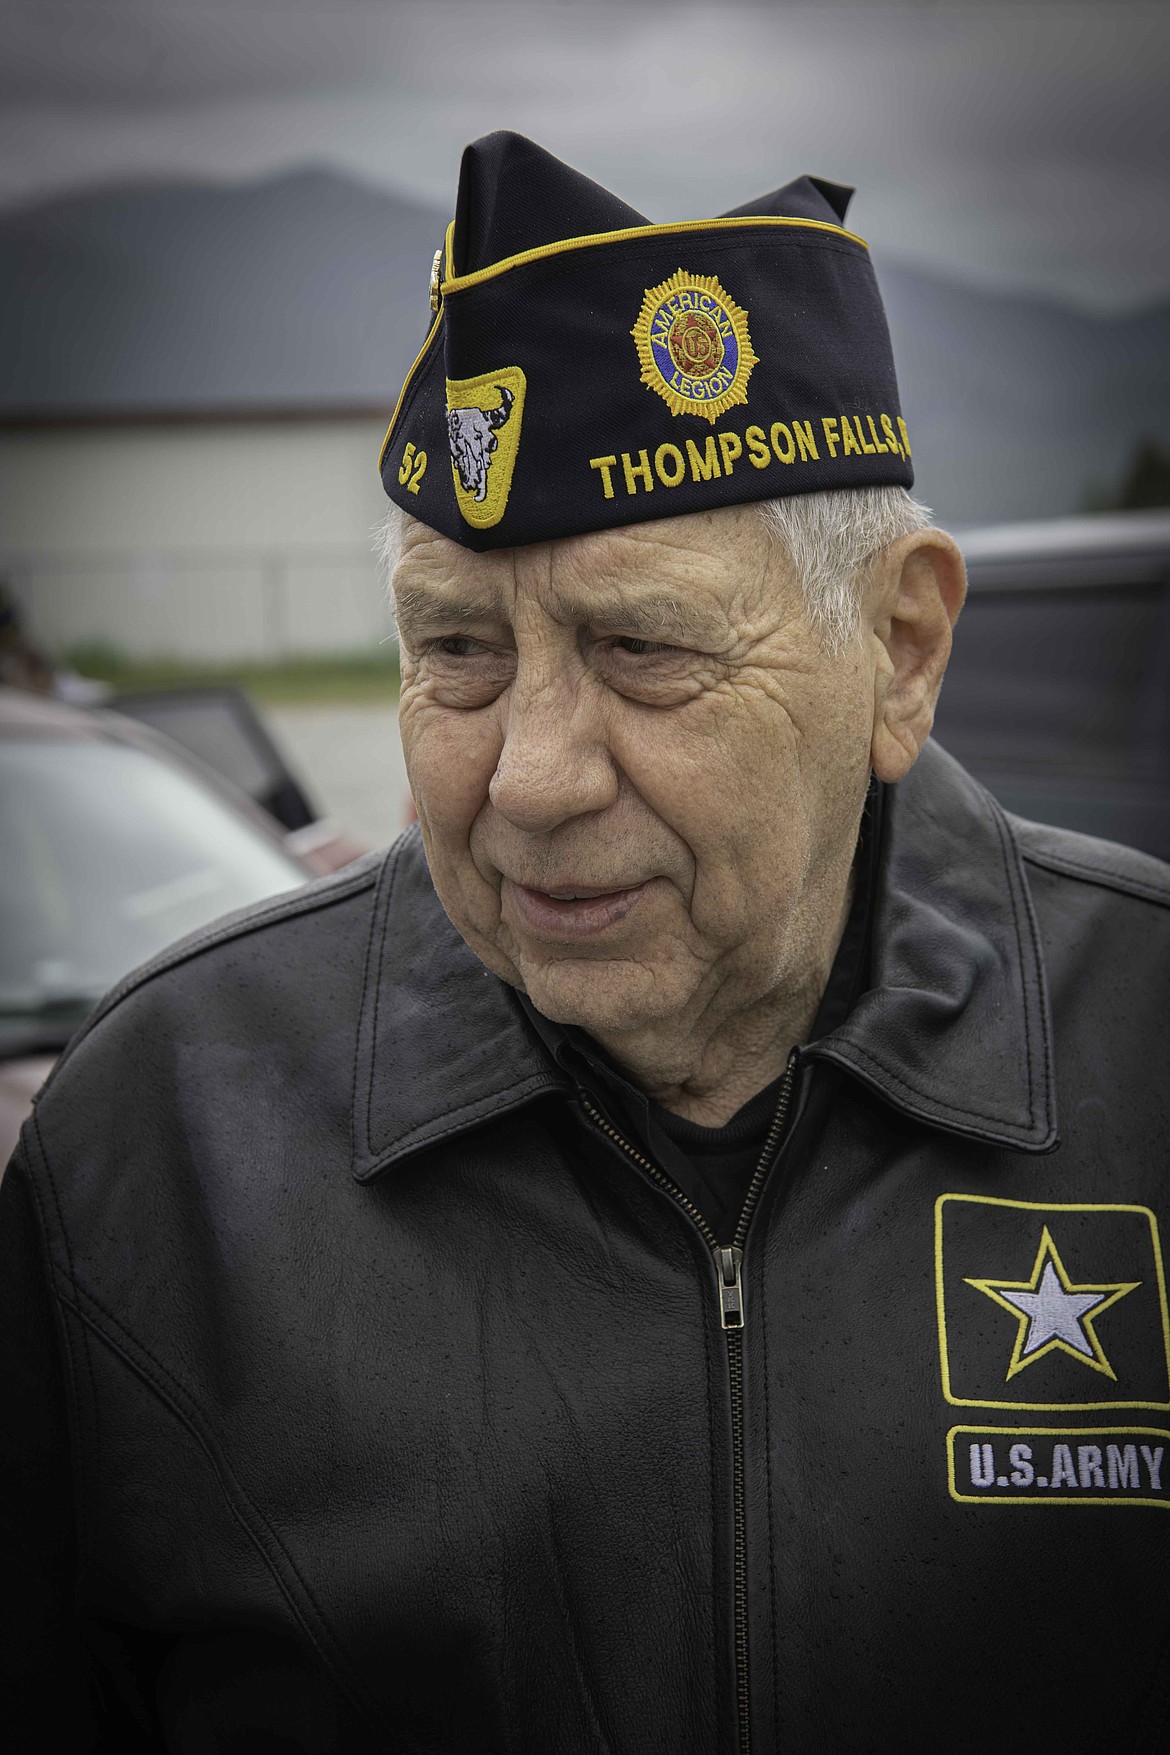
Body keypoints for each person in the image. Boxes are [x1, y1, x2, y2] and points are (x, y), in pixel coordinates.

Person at [3, 131, 1169, 1753]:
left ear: (898, 652)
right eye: (458, 651)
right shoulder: (160, 1143)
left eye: (643, 649)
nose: (531, 778)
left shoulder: (1148, 1046)